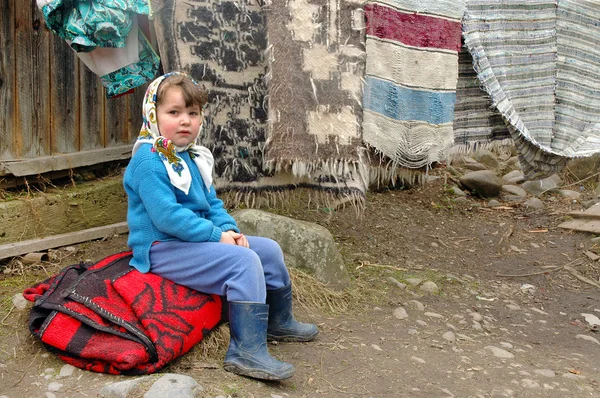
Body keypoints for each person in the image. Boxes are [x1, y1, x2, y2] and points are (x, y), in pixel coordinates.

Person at [123, 72, 318, 380]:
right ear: (152, 115)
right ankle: (245, 351)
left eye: (193, 113)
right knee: (243, 262)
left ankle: (277, 321)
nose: (185, 121)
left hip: (191, 239)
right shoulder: (149, 161)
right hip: (162, 248)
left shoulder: (191, 158)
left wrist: (230, 231)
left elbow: (212, 205)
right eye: (174, 113)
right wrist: (216, 237)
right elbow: (167, 217)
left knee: (267, 250)